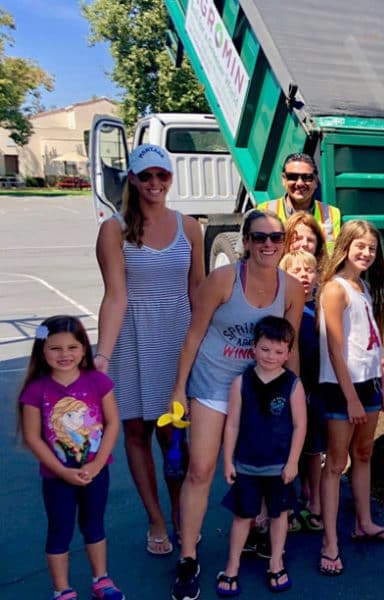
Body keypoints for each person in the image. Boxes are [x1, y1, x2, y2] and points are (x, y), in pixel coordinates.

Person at [169, 210, 305, 600]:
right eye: (259, 237)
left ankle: (259, 535)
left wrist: (296, 395)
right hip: (214, 382)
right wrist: (179, 390)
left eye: (276, 238)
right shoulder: (223, 279)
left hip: (260, 390)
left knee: (265, 466)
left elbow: (290, 351)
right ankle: (189, 556)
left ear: (284, 244)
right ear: (245, 241)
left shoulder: (292, 288)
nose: (267, 244)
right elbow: (193, 336)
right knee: (201, 468)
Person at [95, 143, 204, 557]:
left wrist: (203, 345)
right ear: (134, 179)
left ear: (170, 178)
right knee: (137, 431)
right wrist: (102, 357)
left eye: (163, 175)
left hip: (177, 340)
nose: (155, 183)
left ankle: (180, 512)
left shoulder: (190, 227)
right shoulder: (113, 229)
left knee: (173, 433)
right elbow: (115, 297)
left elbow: (198, 291)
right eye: (147, 176)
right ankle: (156, 518)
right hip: (133, 340)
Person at [17, 316, 125, 600]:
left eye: (72, 347)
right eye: (55, 348)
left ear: (84, 349)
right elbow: (32, 437)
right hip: (57, 476)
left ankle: (101, 579)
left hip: (95, 471)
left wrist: (98, 463)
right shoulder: (36, 390)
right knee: (59, 528)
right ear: (42, 350)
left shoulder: (98, 381)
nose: (64, 355)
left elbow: (113, 423)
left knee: (94, 524)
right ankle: (62, 589)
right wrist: (62, 472)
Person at [316, 219, 384, 577]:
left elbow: (369, 339)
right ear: (346, 247)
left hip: (367, 382)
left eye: (371, 247)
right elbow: (335, 348)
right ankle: (330, 541)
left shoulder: (362, 286)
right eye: (360, 246)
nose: (366, 252)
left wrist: (380, 381)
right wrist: (350, 397)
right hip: (341, 387)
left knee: (362, 454)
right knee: (336, 464)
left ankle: (363, 522)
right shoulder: (335, 289)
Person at [217, 316, 306, 596]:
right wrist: (228, 460)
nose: (271, 356)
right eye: (266, 349)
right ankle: (232, 567)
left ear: (288, 354)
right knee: (243, 516)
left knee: (279, 515)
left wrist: (293, 462)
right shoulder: (241, 383)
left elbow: (299, 425)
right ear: (254, 347)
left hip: (279, 468)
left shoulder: (293, 384)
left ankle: (276, 562)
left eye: (279, 351)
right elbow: (231, 424)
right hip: (246, 466)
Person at [280, 249, 325, 532]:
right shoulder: (283, 310)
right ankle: (288, 504)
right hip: (290, 388)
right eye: (296, 271)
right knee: (288, 448)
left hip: (317, 389)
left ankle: (315, 502)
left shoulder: (321, 310)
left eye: (309, 270)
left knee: (314, 448)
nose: (304, 276)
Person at [257, 153, 341, 256]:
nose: (300, 183)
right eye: (293, 177)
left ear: (315, 181)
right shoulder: (263, 211)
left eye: (307, 177)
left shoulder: (332, 214)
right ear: (284, 179)